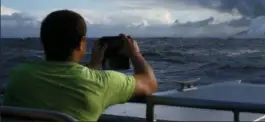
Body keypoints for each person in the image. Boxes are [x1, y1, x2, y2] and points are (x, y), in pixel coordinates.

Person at [3, 9, 158, 121]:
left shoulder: (19, 76)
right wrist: (135, 54)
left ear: (43, 42)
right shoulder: (101, 82)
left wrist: (95, 64)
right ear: (81, 43)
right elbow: (149, 83)